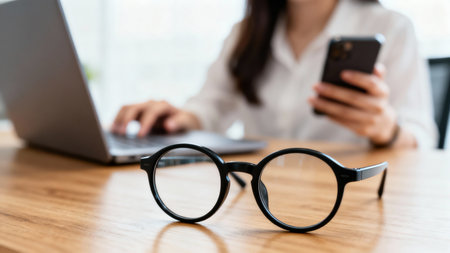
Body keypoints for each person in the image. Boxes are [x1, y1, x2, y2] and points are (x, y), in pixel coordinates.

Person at [112, 0, 437, 149]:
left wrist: (387, 131)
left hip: (348, 200)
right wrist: (176, 118)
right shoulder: (246, 33)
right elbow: (211, 107)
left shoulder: (390, 28)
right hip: (260, 194)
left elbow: (422, 139)